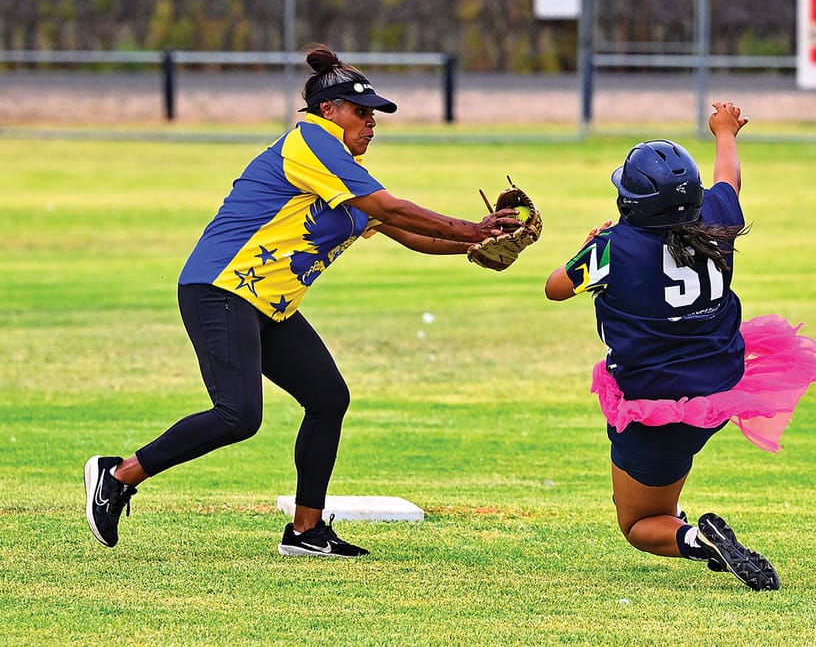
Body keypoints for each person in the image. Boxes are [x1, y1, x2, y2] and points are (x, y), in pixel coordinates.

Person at [84, 43, 522, 557]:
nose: (372, 122)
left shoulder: (342, 176)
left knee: (328, 398)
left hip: (269, 306)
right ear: (327, 110)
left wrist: (478, 241)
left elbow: (409, 232)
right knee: (238, 415)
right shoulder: (310, 144)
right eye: (363, 111)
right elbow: (391, 206)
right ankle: (118, 474)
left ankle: (305, 530)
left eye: (376, 114)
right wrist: (471, 226)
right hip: (219, 290)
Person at [544, 102, 816, 591]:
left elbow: (555, 287)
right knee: (663, 483)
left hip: (657, 402)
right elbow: (728, 181)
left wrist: (590, 245)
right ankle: (679, 517)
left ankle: (697, 539)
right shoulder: (716, 218)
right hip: (719, 388)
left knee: (637, 525)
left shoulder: (612, 247)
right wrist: (724, 133)